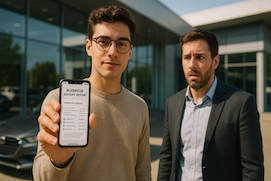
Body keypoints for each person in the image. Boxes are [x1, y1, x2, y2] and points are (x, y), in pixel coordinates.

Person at [33, 5, 151, 181]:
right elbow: (41, 177)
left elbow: (143, 174)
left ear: (130, 51)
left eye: (122, 44)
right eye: (103, 42)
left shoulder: (139, 107)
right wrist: (58, 162)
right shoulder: (59, 100)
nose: (112, 52)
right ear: (89, 47)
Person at [158, 29, 264, 181]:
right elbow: (167, 159)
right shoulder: (172, 103)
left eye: (200, 57)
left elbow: (252, 169)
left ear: (215, 62)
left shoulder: (241, 103)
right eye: (187, 57)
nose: (192, 64)